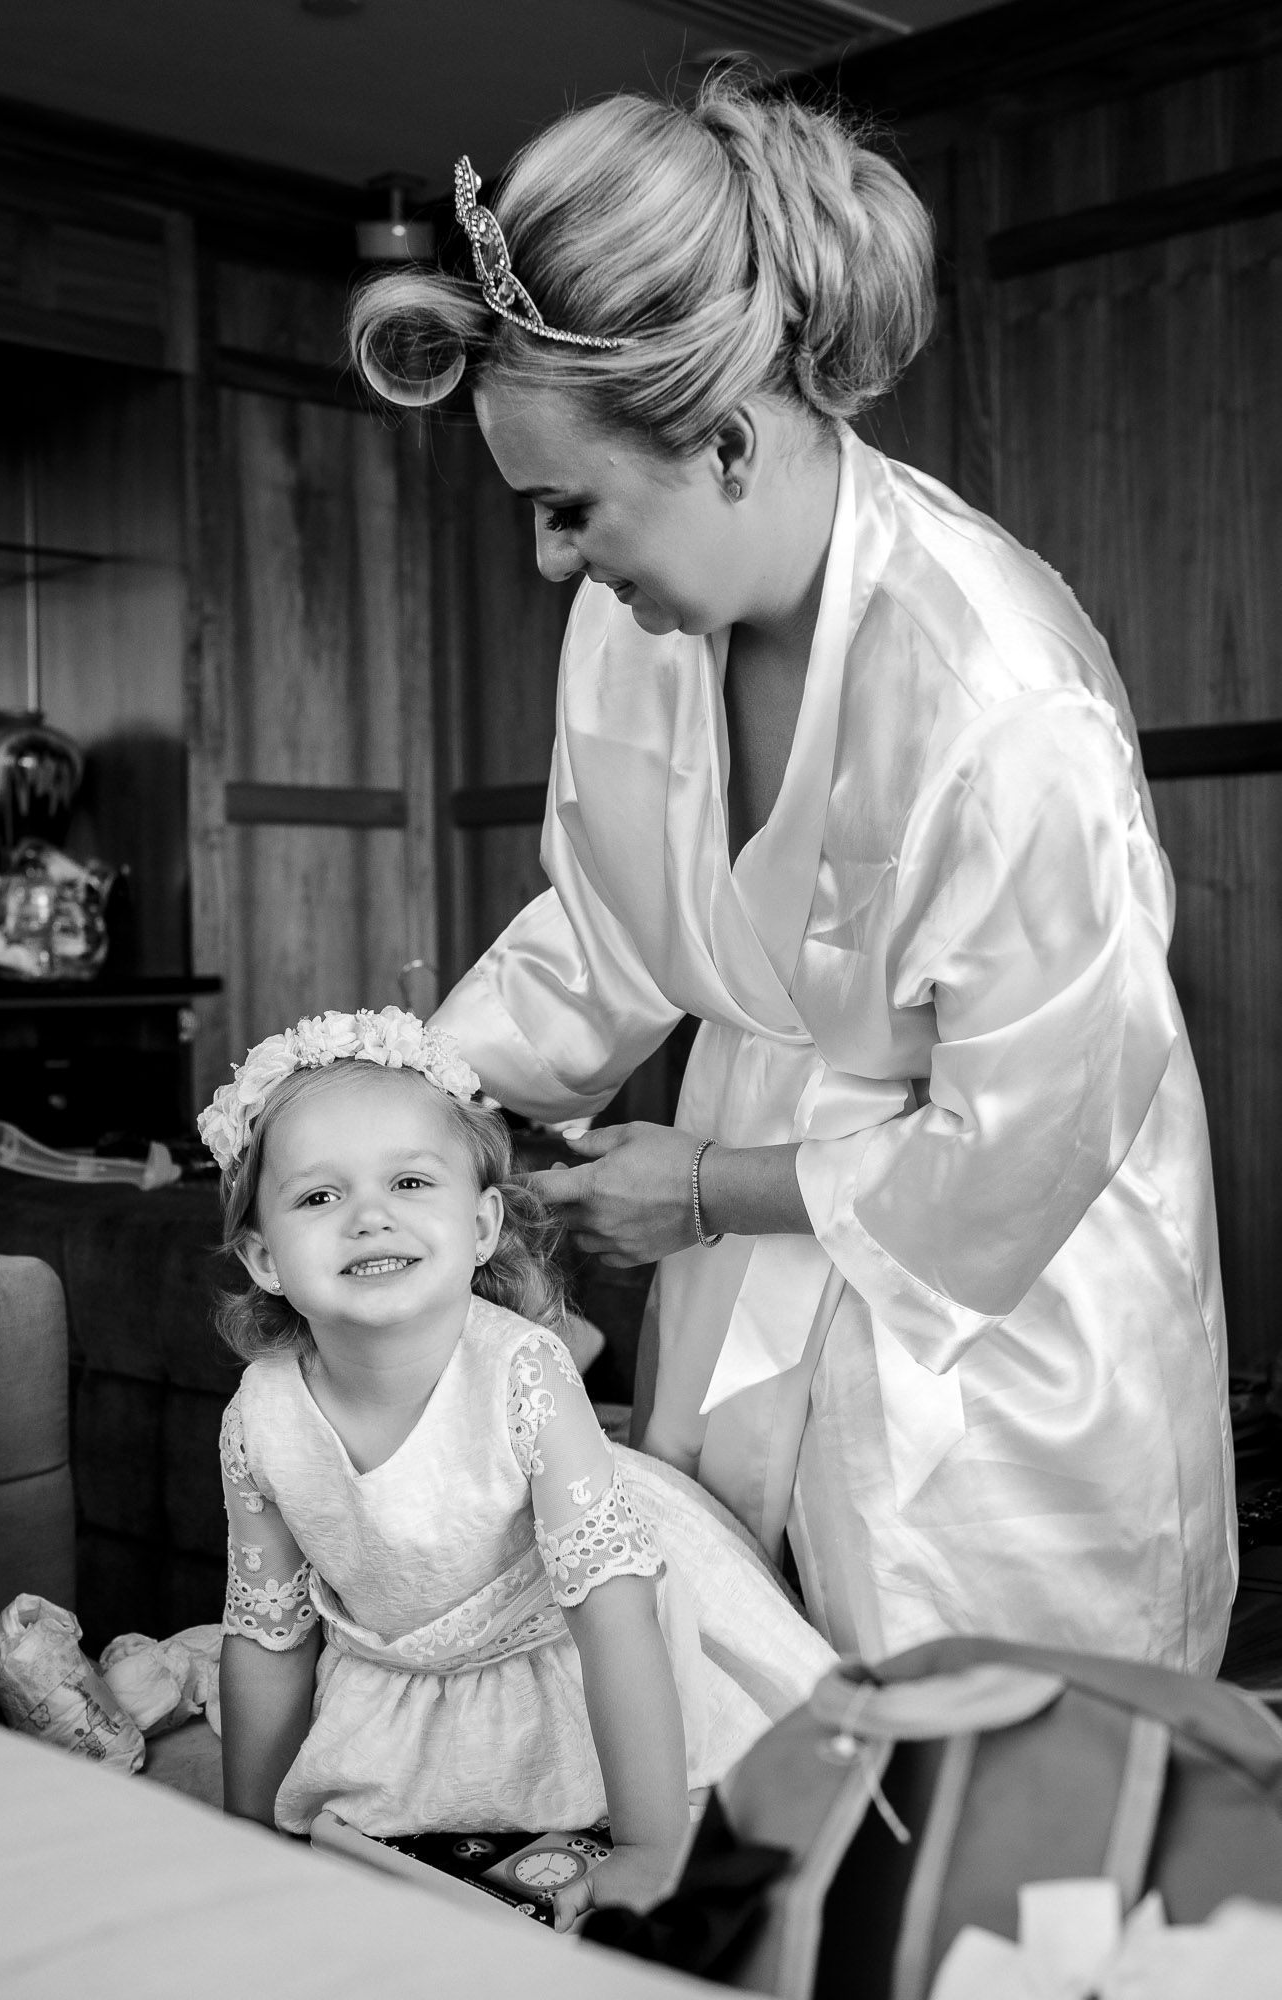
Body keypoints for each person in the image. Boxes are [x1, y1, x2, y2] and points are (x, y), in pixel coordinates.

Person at [348, 76, 1237, 1676]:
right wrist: (391, 1097)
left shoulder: (995, 696)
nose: (551, 562)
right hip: (743, 1216)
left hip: (999, 1321)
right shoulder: (630, 622)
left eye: (567, 511)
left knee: (988, 1798)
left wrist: (696, 1193)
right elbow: (608, 930)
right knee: (746, 1717)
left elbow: (1030, 1136)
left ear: (731, 442)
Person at [198, 1006, 834, 1928]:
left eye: (411, 1181)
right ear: (261, 1255)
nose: (371, 1216)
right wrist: (245, 1832)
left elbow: (615, 1619)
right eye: (317, 1198)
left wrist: (649, 1847)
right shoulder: (260, 1417)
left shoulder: (522, 1376)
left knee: (721, 1807)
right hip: (403, 1662)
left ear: (484, 1222)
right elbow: (266, 1634)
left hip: (569, 1644)